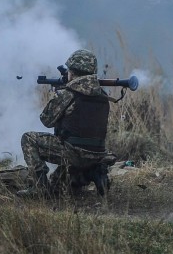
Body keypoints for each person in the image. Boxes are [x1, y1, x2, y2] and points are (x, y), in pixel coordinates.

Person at [17, 49, 117, 197]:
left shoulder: (68, 94)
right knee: (57, 185)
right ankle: (95, 173)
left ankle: (39, 188)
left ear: (72, 72)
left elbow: (46, 120)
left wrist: (56, 98)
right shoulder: (102, 95)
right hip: (97, 154)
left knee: (28, 138)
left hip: (74, 153)